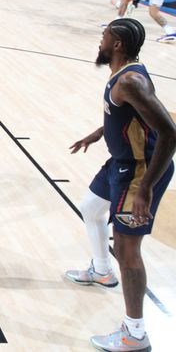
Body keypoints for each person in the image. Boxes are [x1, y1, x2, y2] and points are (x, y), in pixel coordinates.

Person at [66, 18, 175, 351]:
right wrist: (99, 133)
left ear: (117, 44)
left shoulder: (129, 81)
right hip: (121, 161)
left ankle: (135, 334)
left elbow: (170, 132)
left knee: (128, 253)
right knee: (90, 208)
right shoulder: (127, 72)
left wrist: (145, 189)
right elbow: (132, 117)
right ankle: (101, 270)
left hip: (140, 171)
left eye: (105, 36)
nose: (100, 40)